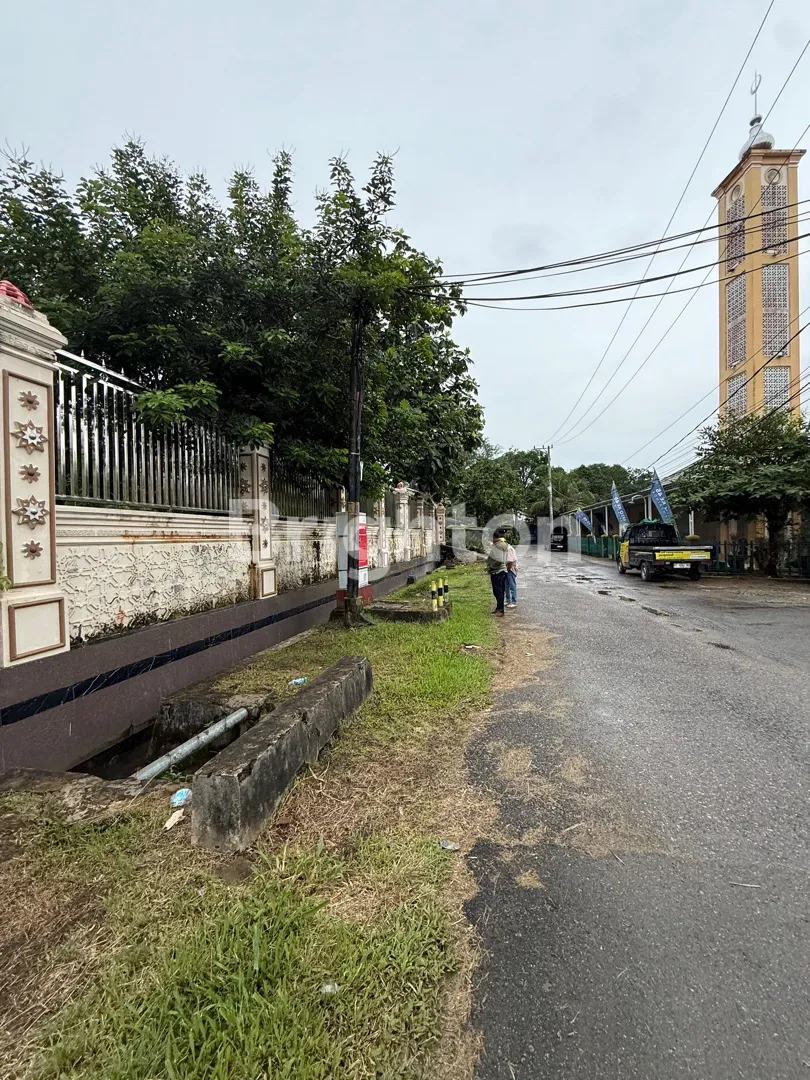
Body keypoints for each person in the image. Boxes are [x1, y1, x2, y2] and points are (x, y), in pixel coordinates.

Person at [486, 530, 512, 616]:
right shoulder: (503, 544)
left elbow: (499, 560)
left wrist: (490, 567)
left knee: (498, 592)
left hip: (497, 571)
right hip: (503, 570)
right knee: (500, 591)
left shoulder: (498, 546)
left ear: (493, 537)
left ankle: (500, 610)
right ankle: (499, 608)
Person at [505, 539, 518, 608]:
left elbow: (510, 561)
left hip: (510, 569)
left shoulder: (508, 549)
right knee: (506, 586)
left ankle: (513, 601)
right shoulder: (507, 548)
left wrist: (507, 570)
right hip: (507, 569)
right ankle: (508, 600)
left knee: (512, 585)